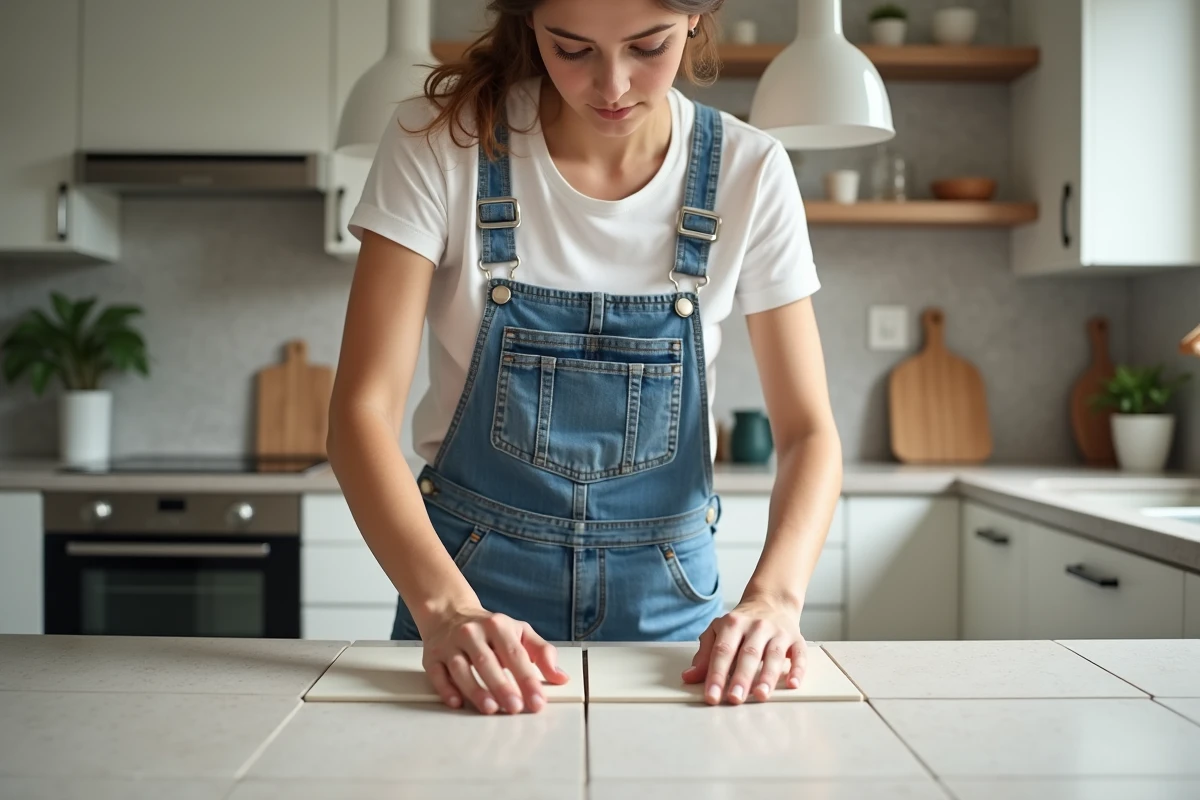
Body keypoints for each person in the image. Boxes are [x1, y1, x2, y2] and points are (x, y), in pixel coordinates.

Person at [327, 0, 843, 717]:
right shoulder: (441, 143)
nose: (612, 85)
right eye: (572, 50)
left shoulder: (748, 170)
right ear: (530, 22)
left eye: (647, 46)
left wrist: (776, 602)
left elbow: (810, 431)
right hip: (467, 607)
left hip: (673, 624)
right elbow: (359, 412)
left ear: (695, 19)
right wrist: (447, 612)